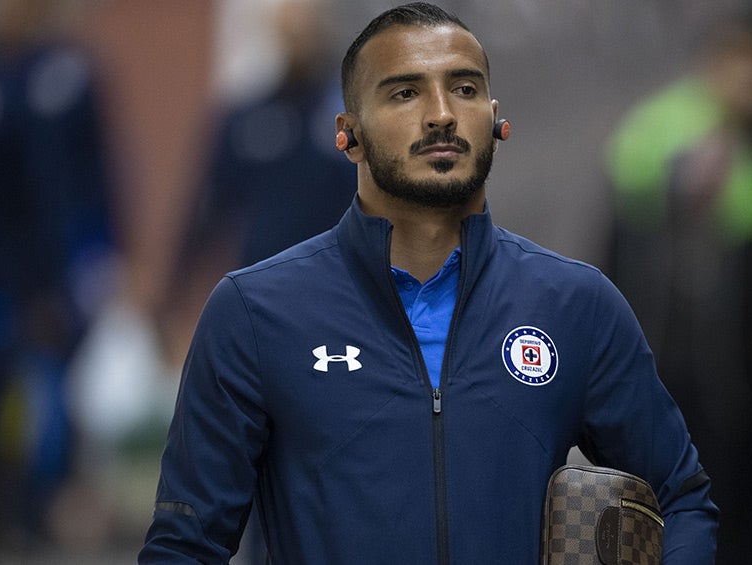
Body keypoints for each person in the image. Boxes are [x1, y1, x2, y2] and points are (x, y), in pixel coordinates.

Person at [138, 3, 718, 563]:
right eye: (405, 92)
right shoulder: (254, 312)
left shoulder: (576, 304)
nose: (441, 112)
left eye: (464, 89)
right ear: (348, 134)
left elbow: (682, 497)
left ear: (497, 121)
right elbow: (184, 545)